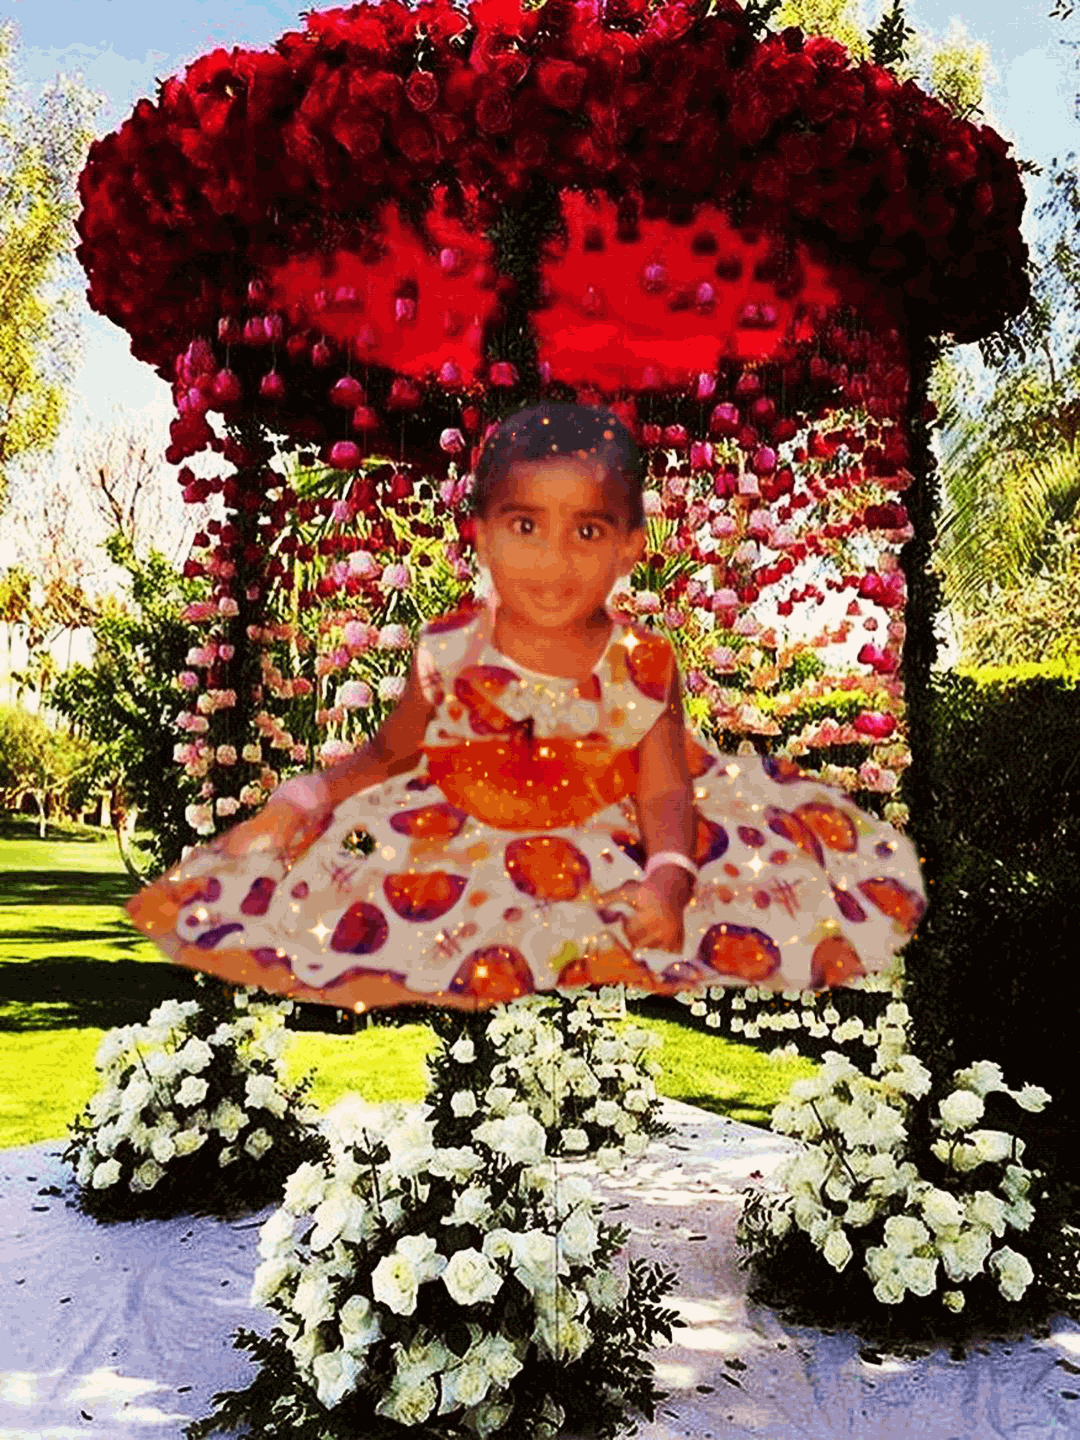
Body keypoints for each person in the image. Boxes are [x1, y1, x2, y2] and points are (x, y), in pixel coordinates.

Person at [124, 400, 927, 1013]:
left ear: (630, 546)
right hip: (466, 858)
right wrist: (316, 792)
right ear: (483, 537)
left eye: (588, 532)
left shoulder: (644, 662)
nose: (553, 558)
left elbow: (663, 786)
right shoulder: (448, 650)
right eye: (525, 526)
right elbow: (394, 750)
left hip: (590, 856)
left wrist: (669, 876)